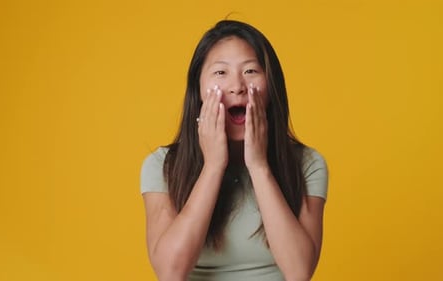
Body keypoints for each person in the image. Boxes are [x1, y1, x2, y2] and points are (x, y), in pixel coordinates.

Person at [140, 19, 328, 281]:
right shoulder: (162, 165)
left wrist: (260, 166)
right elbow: (170, 271)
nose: (237, 86)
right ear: (199, 90)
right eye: (220, 73)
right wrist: (213, 167)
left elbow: (299, 271)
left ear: (271, 88)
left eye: (251, 71)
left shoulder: (307, 163)